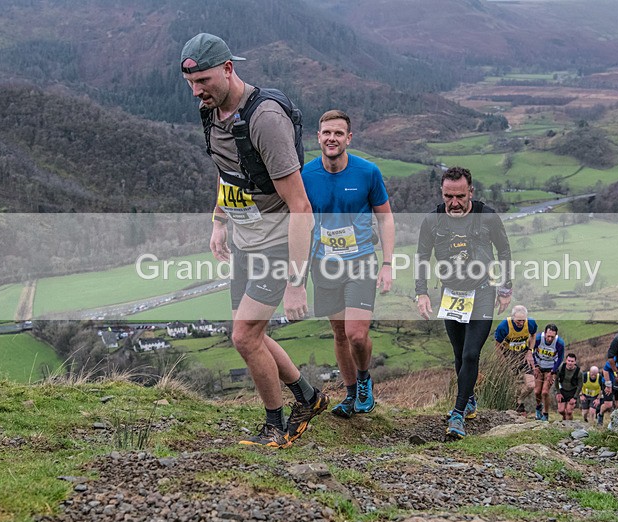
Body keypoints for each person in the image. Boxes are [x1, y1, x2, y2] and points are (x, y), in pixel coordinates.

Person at [181, 33, 327, 448]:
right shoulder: (211, 110)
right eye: (190, 83)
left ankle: (275, 428)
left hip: (278, 242)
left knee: (244, 337)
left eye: (203, 81)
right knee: (251, 335)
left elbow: (301, 206)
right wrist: (219, 221)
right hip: (246, 238)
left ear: (228, 69)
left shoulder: (265, 120)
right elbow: (227, 170)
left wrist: (296, 281)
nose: (197, 91)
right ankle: (309, 398)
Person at [302, 110, 395, 418]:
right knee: (340, 333)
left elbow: (386, 218)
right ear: (318, 137)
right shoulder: (305, 175)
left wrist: (387, 263)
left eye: (338, 133)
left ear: (349, 138)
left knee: (356, 333)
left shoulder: (367, 172)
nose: (332, 138)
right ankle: (351, 393)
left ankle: (364, 379)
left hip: (361, 262)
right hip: (324, 264)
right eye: (327, 133)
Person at [415, 166, 513, 439]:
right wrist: (421, 292)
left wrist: (506, 287)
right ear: (441, 193)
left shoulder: (487, 217)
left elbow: (504, 251)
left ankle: (457, 414)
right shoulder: (432, 220)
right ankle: (468, 400)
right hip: (451, 294)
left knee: (471, 354)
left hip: (482, 292)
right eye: (449, 196)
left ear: (471, 191)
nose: (454, 202)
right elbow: (422, 256)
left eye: (460, 196)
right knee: (459, 355)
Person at [494, 305, 537, 416]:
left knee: (531, 385)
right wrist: (503, 363)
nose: (521, 323)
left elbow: (533, 336)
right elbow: (497, 345)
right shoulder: (504, 326)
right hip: (509, 355)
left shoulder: (531, 323)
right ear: (513, 317)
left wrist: (530, 351)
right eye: (518, 321)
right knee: (510, 385)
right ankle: (511, 406)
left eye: (523, 320)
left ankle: (519, 400)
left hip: (523, 355)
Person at [532, 323, 565, 422]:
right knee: (537, 391)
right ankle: (538, 407)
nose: (550, 339)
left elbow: (560, 358)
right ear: (545, 333)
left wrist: (553, 371)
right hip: (539, 366)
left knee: (545, 392)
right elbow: (531, 351)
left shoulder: (559, 343)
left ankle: (545, 414)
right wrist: (535, 366)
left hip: (551, 368)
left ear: (556, 335)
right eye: (548, 336)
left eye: (552, 337)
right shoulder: (538, 339)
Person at [554, 353, 581, 421]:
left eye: (572, 361)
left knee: (569, 411)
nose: (570, 363)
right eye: (569, 361)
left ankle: (569, 424)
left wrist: (575, 397)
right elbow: (556, 381)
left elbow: (580, 385)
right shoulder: (560, 368)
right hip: (562, 390)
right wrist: (558, 393)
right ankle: (564, 417)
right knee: (561, 410)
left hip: (572, 391)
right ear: (566, 361)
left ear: (575, 362)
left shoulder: (579, 372)